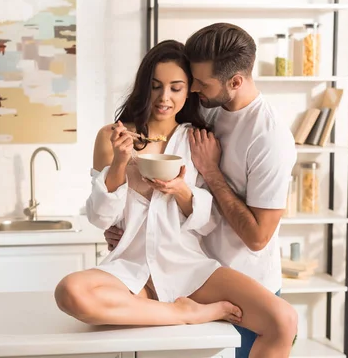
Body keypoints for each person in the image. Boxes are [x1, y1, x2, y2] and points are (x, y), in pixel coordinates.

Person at [54, 39, 298, 357]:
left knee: (283, 319)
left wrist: (182, 192)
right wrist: (119, 164)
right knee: (70, 292)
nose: (164, 98)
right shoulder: (111, 137)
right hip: (130, 265)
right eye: (156, 86)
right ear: (144, 87)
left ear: (190, 91)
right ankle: (184, 313)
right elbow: (101, 218)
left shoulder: (199, 139)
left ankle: (171, 308)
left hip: (187, 266)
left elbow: (209, 223)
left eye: (176, 87)